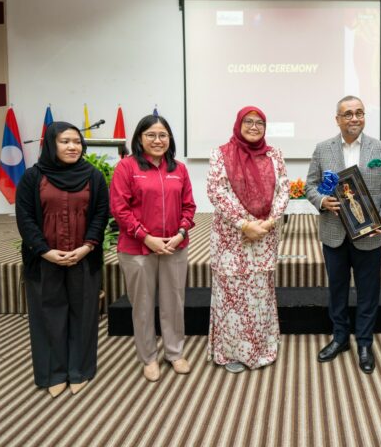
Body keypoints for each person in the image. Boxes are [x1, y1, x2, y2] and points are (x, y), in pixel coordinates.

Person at [305, 95, 381, 374]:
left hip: (369, 233)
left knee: (368, 292)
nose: (354, 118)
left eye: (359, 112)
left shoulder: (380, 149)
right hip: (334, 233)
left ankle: (364, 343)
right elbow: (310, 185)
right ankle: (339, 338)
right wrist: (322, 201)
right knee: (337, 290)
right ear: (337, 119)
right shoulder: (323, 149)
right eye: (348, 114)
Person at [15, 121, 109, 397]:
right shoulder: (32, 177)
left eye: (77, 142)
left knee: (84, 313)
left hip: (84, 257)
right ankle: (53, 373)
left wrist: (87, 247)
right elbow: (25, 218)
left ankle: (79, 370)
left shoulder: (93, 176)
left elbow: (100, 214)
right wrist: (45, 251)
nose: (72, 147)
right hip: (45, 259)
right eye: (65, 141)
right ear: (51, 144)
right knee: (48, 314)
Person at [110, 114, 196, 380]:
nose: (157, 140)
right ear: (139, 138)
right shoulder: (126, 167)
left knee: (174, 302)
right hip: (137, 248)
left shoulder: (179, 169)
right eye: (151, 135)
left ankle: (174, 353)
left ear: (169, 139)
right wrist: (146, 237)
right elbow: (120, 209)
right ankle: (148, 358)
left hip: (174, 247)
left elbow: (189, 206)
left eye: (163, 135)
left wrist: (180, 234)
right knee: (143, 305)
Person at [206, 106, 290, 373]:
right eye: (248, 121)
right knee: (231, 295)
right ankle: (231, 352)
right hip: (232, 238)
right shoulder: (221, 153)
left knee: (259, 292)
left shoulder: (274, 155)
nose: (254, 127)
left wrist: (269, 222)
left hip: (264, 235)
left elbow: (284, 189)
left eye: (259, 123)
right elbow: (217, 191)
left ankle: (262, 349)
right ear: (238, 124)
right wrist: (244, 224)